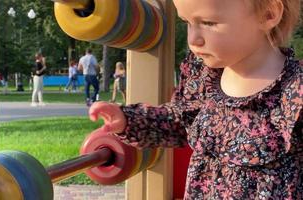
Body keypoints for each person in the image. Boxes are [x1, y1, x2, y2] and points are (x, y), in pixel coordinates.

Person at [89, 0, 302, 199]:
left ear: (268, 14)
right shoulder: (202, 78)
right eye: (188, 23)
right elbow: (178, 121)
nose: (193, 39)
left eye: (208, 23)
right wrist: (127, 120)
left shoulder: (295, 90)